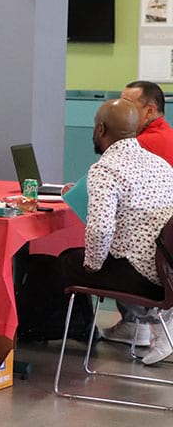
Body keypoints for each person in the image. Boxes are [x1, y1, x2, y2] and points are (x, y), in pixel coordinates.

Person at [59, 98, 173, 365]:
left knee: (65, 263)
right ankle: (151, 322)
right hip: (166, 269)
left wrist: (92, 265)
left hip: (142, 275)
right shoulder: (160, 165)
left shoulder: (105, 169)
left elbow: (100, 230)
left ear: (100, 130)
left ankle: (149, 324)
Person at [101, 80, 173, 346]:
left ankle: (135, 323)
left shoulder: (142, 145)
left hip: (148, 252)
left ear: (150, 110)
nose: (119, 109)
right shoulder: (167, 135)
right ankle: (136, 324)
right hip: (164, 250)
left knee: (108, 244)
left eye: (127, 104)